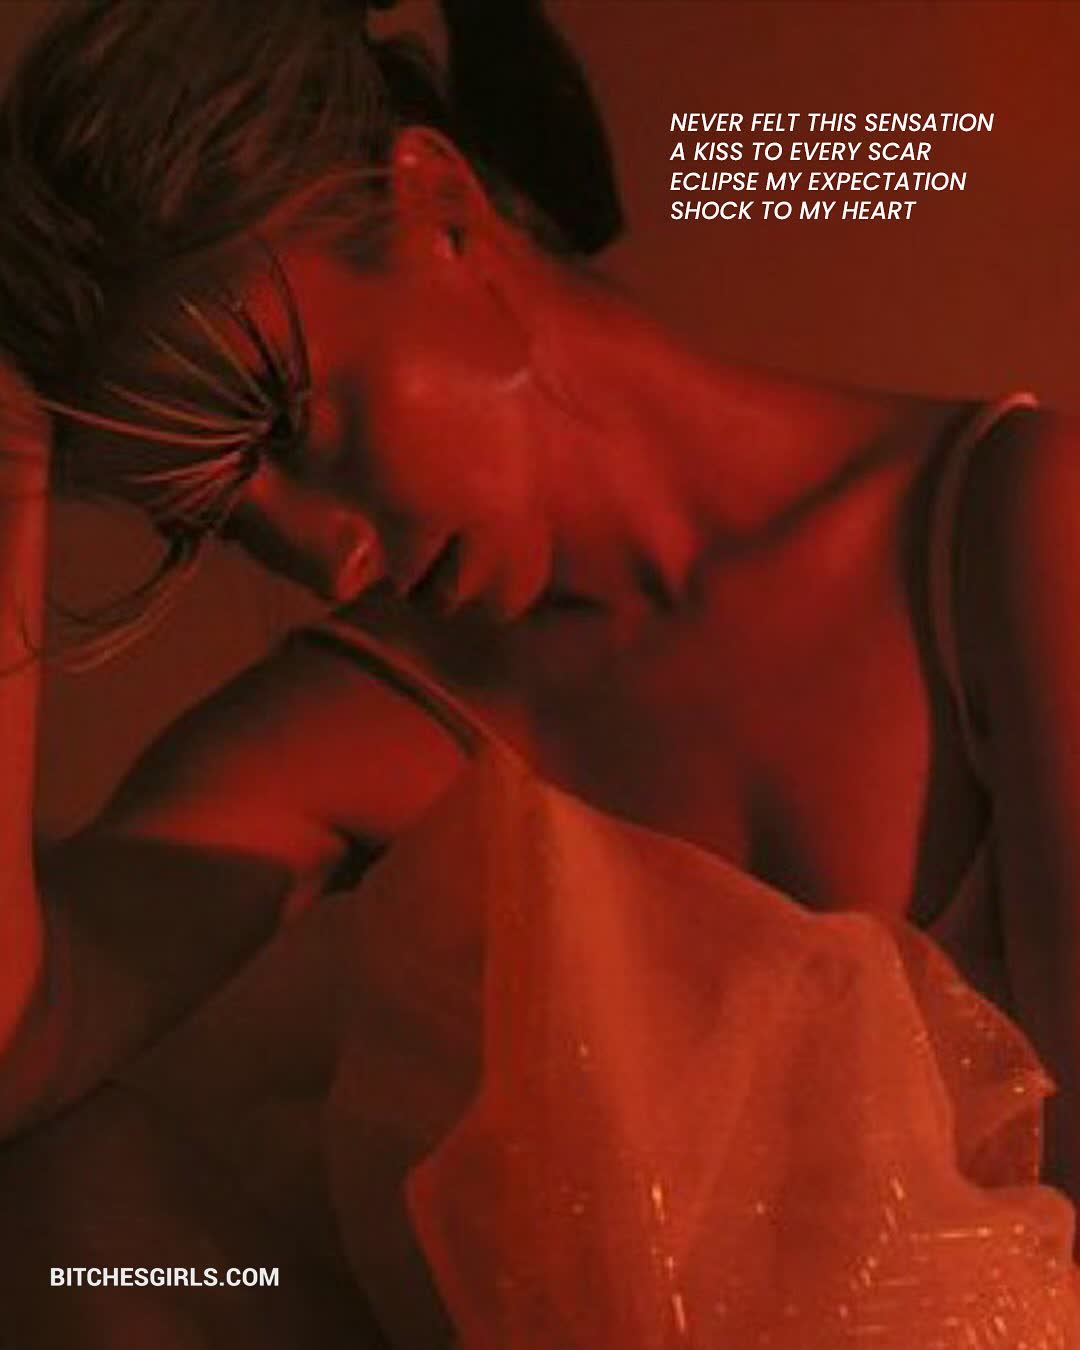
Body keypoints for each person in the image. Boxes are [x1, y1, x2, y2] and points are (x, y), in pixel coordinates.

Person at [0, 1, 1078, 1346]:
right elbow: (19, 1054)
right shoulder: (362, 719)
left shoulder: (1008, 528)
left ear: (437, 206)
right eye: (216, 521)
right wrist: (9, 451)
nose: (322, 556)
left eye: (289, 425)